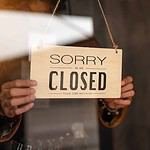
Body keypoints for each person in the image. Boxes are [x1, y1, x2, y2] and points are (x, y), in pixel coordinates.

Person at [0, 0, 135, 148]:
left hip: (79, 143)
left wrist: (111, 103)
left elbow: (103, 108)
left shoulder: (80, 39)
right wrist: (3, 107)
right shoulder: (6, 39)